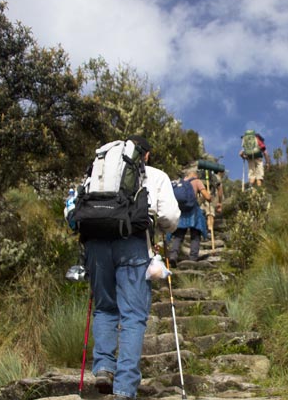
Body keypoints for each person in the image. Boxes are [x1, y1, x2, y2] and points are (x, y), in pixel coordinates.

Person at [86, 135, 180, 399]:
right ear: (145, 154)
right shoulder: (155, 175)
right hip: (132, 242)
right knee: (133, 316)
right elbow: (170, 216)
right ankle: (125, 388)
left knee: (104, 307)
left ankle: (103, 366)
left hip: (95, 242)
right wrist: (163, 229)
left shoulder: (98, 170)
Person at [168, 167, 211, 266]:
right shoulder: (197, 181)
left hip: (181, 212)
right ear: (195, 174)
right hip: (193, 212)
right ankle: (192, 259)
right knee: (195, 235)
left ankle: (173, 256)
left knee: (178, 236)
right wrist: (209, 197)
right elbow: (207, 196)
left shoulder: (180, 183)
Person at [199, 169, 223, 240]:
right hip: (210, 195)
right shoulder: (215, 177)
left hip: (201, 195)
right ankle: (209, 230)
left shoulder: (200, 174)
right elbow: (220, 190)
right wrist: (219, 202)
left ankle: (201, 231)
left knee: (201, 212)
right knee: (210, 213)